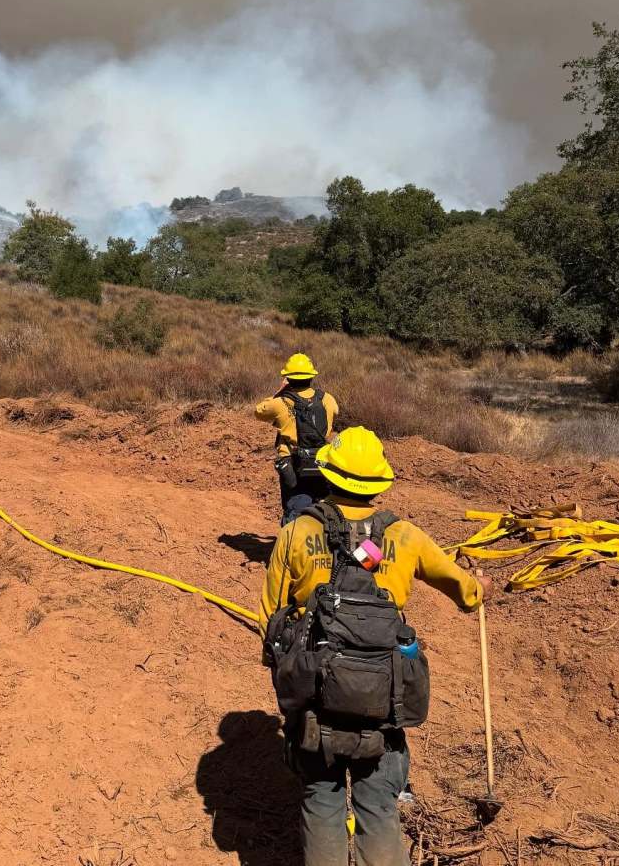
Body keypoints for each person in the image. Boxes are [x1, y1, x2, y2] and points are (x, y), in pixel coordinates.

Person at [259, 426, 490, 866]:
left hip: (317, 696)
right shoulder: (404, 536)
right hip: (383, 699)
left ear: (327, 473)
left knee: (321, 799)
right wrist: (481, 585)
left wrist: (290, 683)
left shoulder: (297, 532)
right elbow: (468, 595)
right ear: (379, 482)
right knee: (379, 805)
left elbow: (270, 620)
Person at [254, 353, 339, 520]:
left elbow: (258, 411)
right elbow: (336, 411)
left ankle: (294, 533)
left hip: (292, 462)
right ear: (311, 377)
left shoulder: (280, 402)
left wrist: (280, 391)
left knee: (295, 506)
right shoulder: (327, 399)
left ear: (288, 378)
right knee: (322, 506)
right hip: (320, 460)